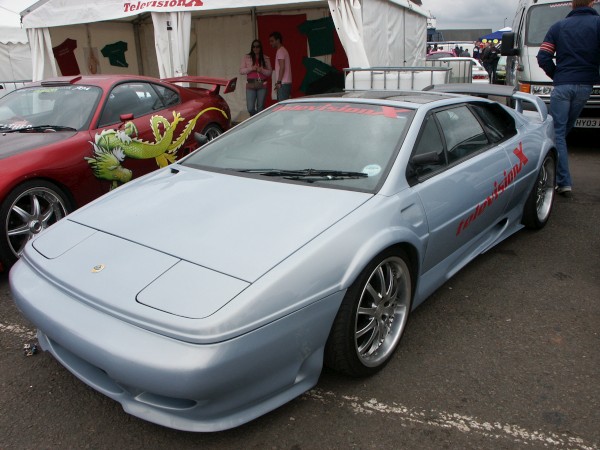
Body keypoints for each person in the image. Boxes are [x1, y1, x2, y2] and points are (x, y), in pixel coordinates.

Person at [537, 0, 600, 196]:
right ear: (592, 3)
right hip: (585, 86)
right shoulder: (597, 24)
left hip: (562, 85)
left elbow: (543, 56)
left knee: (559, 132)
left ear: (572, 5)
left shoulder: (558, 27)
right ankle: (562, 179)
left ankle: (564, 182)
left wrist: (557, 75)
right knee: (562, 132)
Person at [240, 39, 272, 116]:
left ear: (260, 48)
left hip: (262, 84)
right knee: (250, 108)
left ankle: (258, 122)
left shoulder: (265, 58)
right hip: (251, 84)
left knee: (260, 107)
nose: (255, 48)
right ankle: (256, 118)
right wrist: (251, 68)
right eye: (254, 47)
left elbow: (270, 72)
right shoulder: (246, 57)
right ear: (252, 48)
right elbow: (241, 71)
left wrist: (261, 70)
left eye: (257, 47)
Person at [269, 31, 292, 101]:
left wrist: (278, 82)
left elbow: (282, 67)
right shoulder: (283, 50)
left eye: (272, 41)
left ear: (278, 40)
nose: (270, 43)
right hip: (285, 82)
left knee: (282, 106)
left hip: (283, 83)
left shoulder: (280, 51)